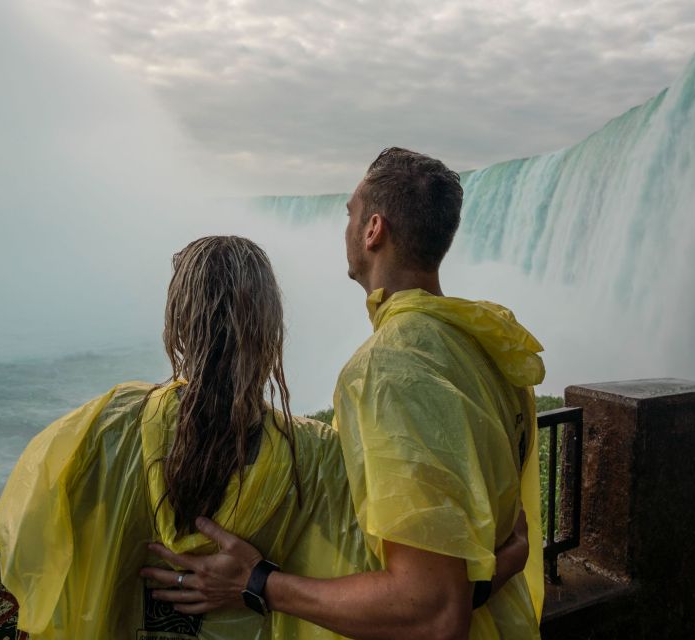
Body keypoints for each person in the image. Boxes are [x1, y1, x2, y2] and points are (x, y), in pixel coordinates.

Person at [0, 235, 529, 639]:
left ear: (177, 326)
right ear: (271, 331)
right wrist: (506, 558)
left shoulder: (104, 429)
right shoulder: (315, 457)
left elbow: (33, 546)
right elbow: (410, 595)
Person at [145, 149, 546, 639]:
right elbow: (499, 531)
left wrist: (257, 582)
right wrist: (498, 567)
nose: (346, 228)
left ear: (373, 229)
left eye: (350, 215)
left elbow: (433, 612)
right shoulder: (485, 347)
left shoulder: (388, 370)